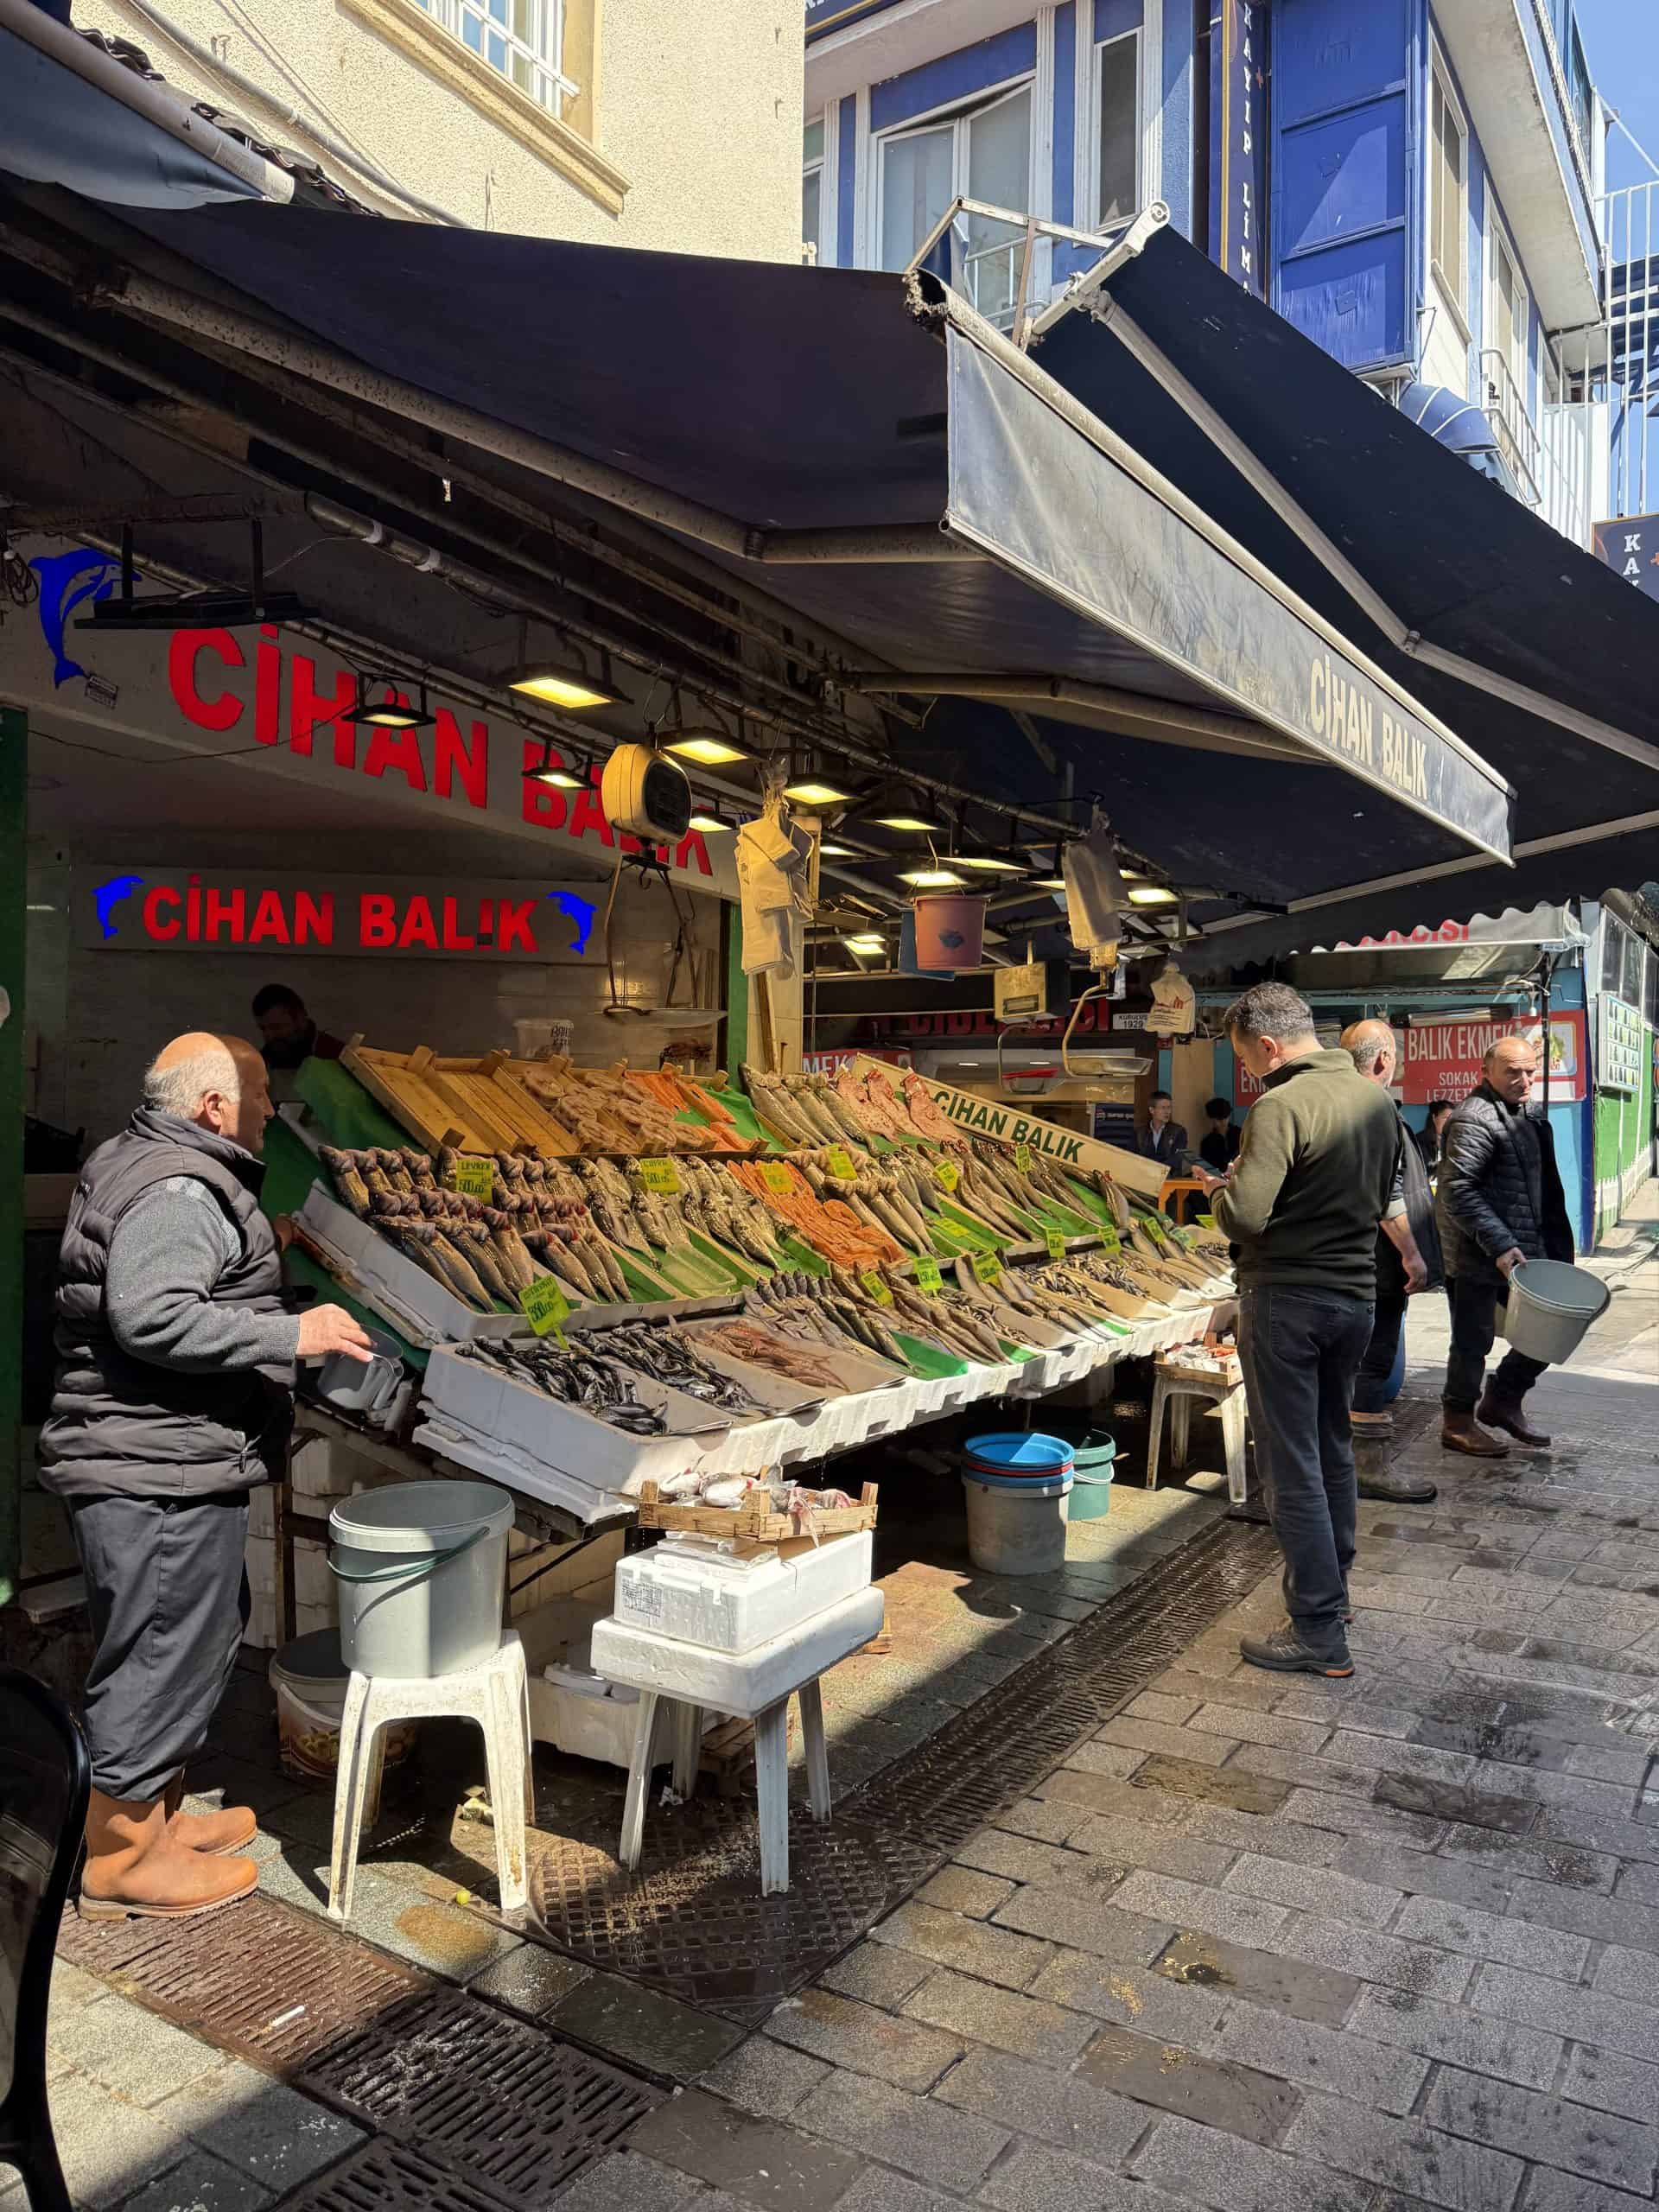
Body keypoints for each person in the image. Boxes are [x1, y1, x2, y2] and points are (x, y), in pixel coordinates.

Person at [40, 1033, 372, 1919]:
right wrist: (288, 1336)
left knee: (192, 1633)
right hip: (154, 1461)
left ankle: (155, 1821)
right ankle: (118, 1864)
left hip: (170, 1454)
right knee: (155, 1649)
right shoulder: (181, 1186)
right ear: (214, 1106)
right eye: (259, 1093)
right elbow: (151, 1314)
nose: (270, 1109)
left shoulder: (156, 1161)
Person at [1192, 983, 1399, 1677]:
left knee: (1291, 1463)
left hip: (1287, 1299)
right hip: (1355, 1298)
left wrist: (1222, 1191)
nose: (1251, 1072)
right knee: (1332, 1444)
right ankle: (1334, 1594)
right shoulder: (1376, 1100)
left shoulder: (1280, 1104)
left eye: (1248, 1059)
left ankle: (1316, 1628)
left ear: (1270, 1046)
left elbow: (1248, 1216)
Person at [1437, 1035, 1574, 1457]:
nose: (1524, 1079)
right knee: (1471, 1341)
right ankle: (1457, 1422)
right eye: (1512, 1071)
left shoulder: (1527, 1113)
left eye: (1531, 1070)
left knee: (1553, 1329)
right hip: (1479, 1255)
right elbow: (1459, 1191)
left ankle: (1503, 1398)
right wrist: (1499, 1244)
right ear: (1486, 1072)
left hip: (1526, 1251)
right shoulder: (1473, 1119)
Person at [1339, 1020, 1440, 1505]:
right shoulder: (1373, 1108)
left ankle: (1352, 1465)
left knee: (1365, 1364)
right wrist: (1412, 1255)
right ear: (1383, 1059)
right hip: (1378, 1266)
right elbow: (1387, 1193)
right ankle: (1367, 1470)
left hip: (1359, 1264)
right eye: (1394, 1052)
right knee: (1373, 1365)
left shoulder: (1341, 1105)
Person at [251, 984, 346, 1071]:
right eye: (263, 1028)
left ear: (301, 1019)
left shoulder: (339, 1059)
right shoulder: (261, 1065)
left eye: (276, 1027)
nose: (269, 1036)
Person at [1136, 1090, 1189, 1171]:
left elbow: (1177, 1159)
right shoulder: (1139, 1132)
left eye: (1169, 1107)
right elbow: (1133, 1156)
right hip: (1143, 1177)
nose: (1167, 1112)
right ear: (1152, 1110)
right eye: (1163, 1108)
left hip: (1170, 1179)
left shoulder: (1179, 1131)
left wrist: (1156, 1170)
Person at [1198, 1096, 1241, 1173]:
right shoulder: (1207, 1142)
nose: (1223, 1122)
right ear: (1211, 1119)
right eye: (1219, 1119)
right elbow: (1207, 1168)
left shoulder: (1240, 1134)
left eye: (1226, 1117)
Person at [1415, 1099, 1454, 1173]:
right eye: (1445, 1118)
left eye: (1452, 1118)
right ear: (1434, 1118)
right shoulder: (1420, 1141)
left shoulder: (1456, 1140)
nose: (1449, 1122)